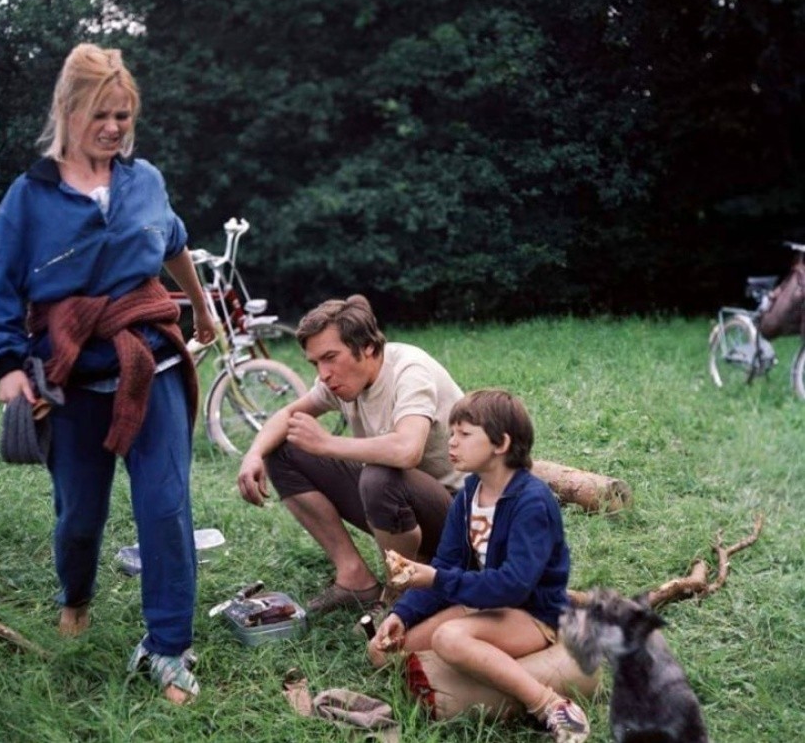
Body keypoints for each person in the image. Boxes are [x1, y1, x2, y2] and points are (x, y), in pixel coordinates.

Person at [0, 43, 215, 705]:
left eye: (123, 116)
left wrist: (200, 309)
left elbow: (174, 243)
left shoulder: (146, 182)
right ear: (68, 110)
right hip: (74, 377)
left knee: (165, 506)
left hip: (150, 360)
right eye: (99, 115)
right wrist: (8, 368)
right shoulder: (29, 198)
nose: (113, 128)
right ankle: (75, 594)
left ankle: (168, 648)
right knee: (80, 514)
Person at [369, 389, 590, 743]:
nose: (451, 442)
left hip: (532, 614)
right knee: (382, 651)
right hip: (484, 605)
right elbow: (446, 564)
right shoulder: (470, 494)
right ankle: (475, 663)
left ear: (501, 443)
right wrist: (403, 614)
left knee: (448, 637)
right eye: (451, 433)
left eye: (464, 434)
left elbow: (514, 585)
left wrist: (438, 579)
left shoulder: (532, 502)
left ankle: (549, 704)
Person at [237, 294, 464, 613]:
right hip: (403, 503)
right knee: (282, 449)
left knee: (380, 475)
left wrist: (325, 443)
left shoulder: (410, 370)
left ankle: (400, 590)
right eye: (316, 363)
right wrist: (254, 453)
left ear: (367, 346)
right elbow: (287, 416)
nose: (324, 373)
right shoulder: (342, 381)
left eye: (330, 357)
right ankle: (355, 577)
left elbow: (407, 450)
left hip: (460, 516)